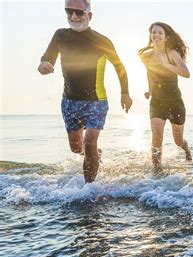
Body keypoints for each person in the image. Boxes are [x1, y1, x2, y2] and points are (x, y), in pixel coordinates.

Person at [38, 0, 133, 183]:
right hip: (69, 101)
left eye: (78, 12)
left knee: (89, 142)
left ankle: (89, 188)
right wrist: (43, 65)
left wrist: (125, 93)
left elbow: (119, 67)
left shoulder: (101, 40)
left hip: (96, 101)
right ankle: (95, 154)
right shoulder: (60, 35)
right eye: (69, 11)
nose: (73, 16)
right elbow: (47, 58)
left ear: (89, 15)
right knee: (76, 148)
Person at [138, 22, 192, 172]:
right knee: (156, 136)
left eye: (160, 32)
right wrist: (150, 90)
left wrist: (166, 64)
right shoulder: (146, 56)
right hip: (157, 102)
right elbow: (150, 73)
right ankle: (157, 170)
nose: (156, 35)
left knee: (178, 140)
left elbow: (186, 73)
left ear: (166, 37)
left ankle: (187, 150)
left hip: (175, 102)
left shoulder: (172, 53)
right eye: (153, 32)